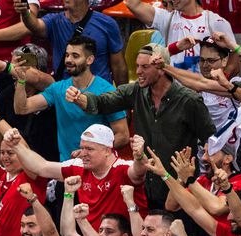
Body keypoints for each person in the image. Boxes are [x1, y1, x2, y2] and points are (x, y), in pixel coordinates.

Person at [71, 46, 215, 206]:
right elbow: (102, 102)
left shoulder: (189, 101)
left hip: (180, 191)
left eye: (145, 67)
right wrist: (81, 99)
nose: (138, 71)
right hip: (146, 189)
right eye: (137, 66)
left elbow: (211, 140)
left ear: (162, 68)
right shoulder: (135, 92)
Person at [18, 0, 126, 85]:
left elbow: (118, 66)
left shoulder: (107, 24)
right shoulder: (54, 22)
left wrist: (123, 100)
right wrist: (25, 12)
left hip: (99, 96)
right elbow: (35, 25)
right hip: (65, 95)